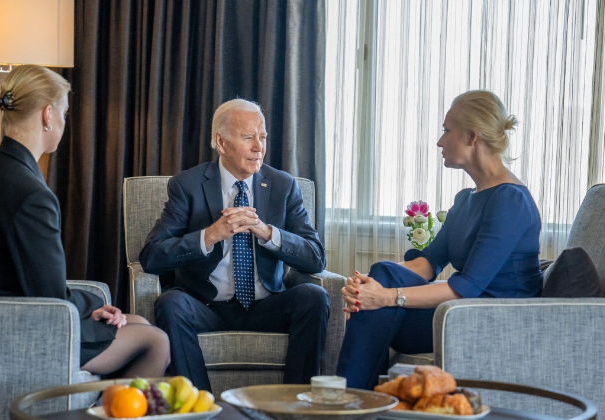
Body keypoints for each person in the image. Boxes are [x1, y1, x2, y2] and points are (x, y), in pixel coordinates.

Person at [0, 65, 170, 378]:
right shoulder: (31, 193)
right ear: (47, 114)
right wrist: (94, 302)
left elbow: (34, 281)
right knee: (156, 341)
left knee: (140, 323)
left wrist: (92, 305)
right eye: (65, 114)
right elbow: (51, 298)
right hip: (16, 327)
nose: (64, 122)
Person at [336, 90, 543, 389]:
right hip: (462, 312)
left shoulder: (510, 201)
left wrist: (385, 295)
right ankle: (358, 401)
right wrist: (371, 284)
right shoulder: (467, 199)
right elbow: (428, 263)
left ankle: (351, 401)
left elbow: (467, 288)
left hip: (496, 320)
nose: (439, 141)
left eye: (447, 131)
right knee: (382, 274)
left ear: (472, 137)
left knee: (380, 301)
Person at [139, 98, 329, 392]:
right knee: (171, 303)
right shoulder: (188, 185)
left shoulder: (283, 185)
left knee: (314, 296)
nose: (259, 147)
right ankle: (200, 406)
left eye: (262, 137)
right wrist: (211, 234)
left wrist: (267, 233)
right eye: (247, 137)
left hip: (267, 304)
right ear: (221, 142)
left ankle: (295, 405)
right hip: (207, 305)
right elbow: (152, 256)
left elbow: (315, 257)